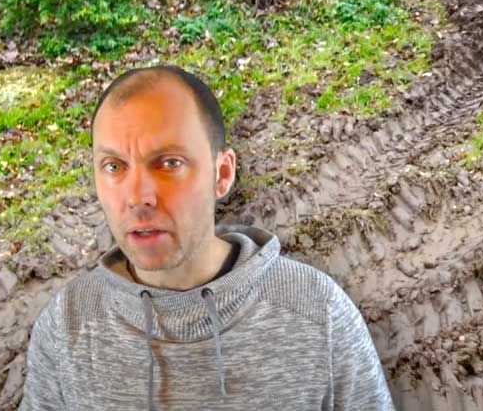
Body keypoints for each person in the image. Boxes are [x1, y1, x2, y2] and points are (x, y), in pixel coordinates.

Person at [21, 65, 394, 410]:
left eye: (169, 163)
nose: (138, 197)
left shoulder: (318, 311)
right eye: (114, 166)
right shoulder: (66, 324)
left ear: (223, 174)